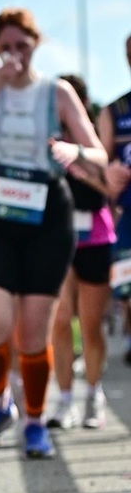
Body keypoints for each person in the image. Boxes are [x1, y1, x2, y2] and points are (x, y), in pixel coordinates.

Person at [0, 8, 106, 458]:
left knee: (35, 330)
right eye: (6, 46)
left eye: (23, 45)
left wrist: (74, 149)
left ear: (36, 43)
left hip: (47, 213)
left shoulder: (57, 92)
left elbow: (94, 149)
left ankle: (35, 421)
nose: (15, 54)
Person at [47, 75, 114, 431]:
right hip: (58, 238)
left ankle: (93, 394)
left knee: (90, 325)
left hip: (96, 237)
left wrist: (79, 168)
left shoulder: (94, 142)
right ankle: (64, 399)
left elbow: (110, 186)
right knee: (60, 321)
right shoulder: (47, 140)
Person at [100, 35, 131, 364]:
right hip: (127, 217)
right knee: (127, 289)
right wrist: (108, 174)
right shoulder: (116, 110)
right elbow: (100, 163)